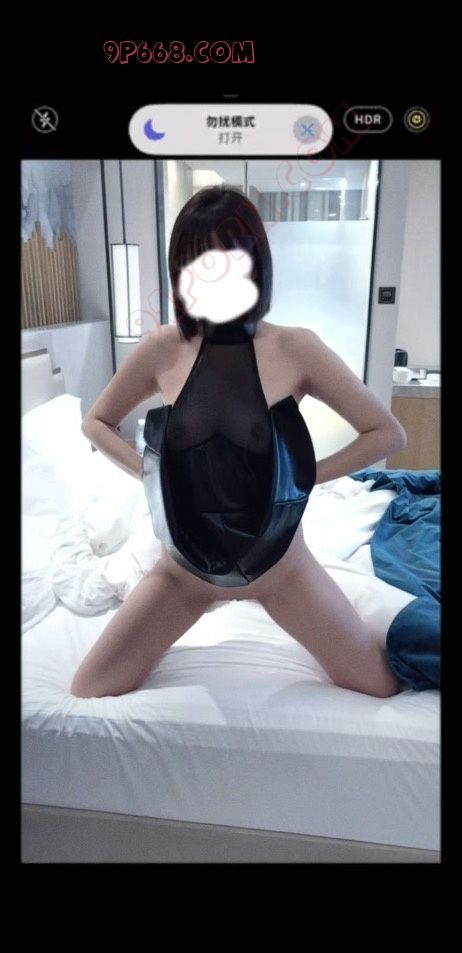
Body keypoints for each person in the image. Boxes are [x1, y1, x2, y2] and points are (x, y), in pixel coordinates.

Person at [70, 186, 407, 700]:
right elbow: (96, 421)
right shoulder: (163, 348)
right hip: (184, 572)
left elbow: (387, 433)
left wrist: (305, 475)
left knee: (377, 684)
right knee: (90, 686)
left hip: (280, 568)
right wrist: (149, 471)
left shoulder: (294, 347)